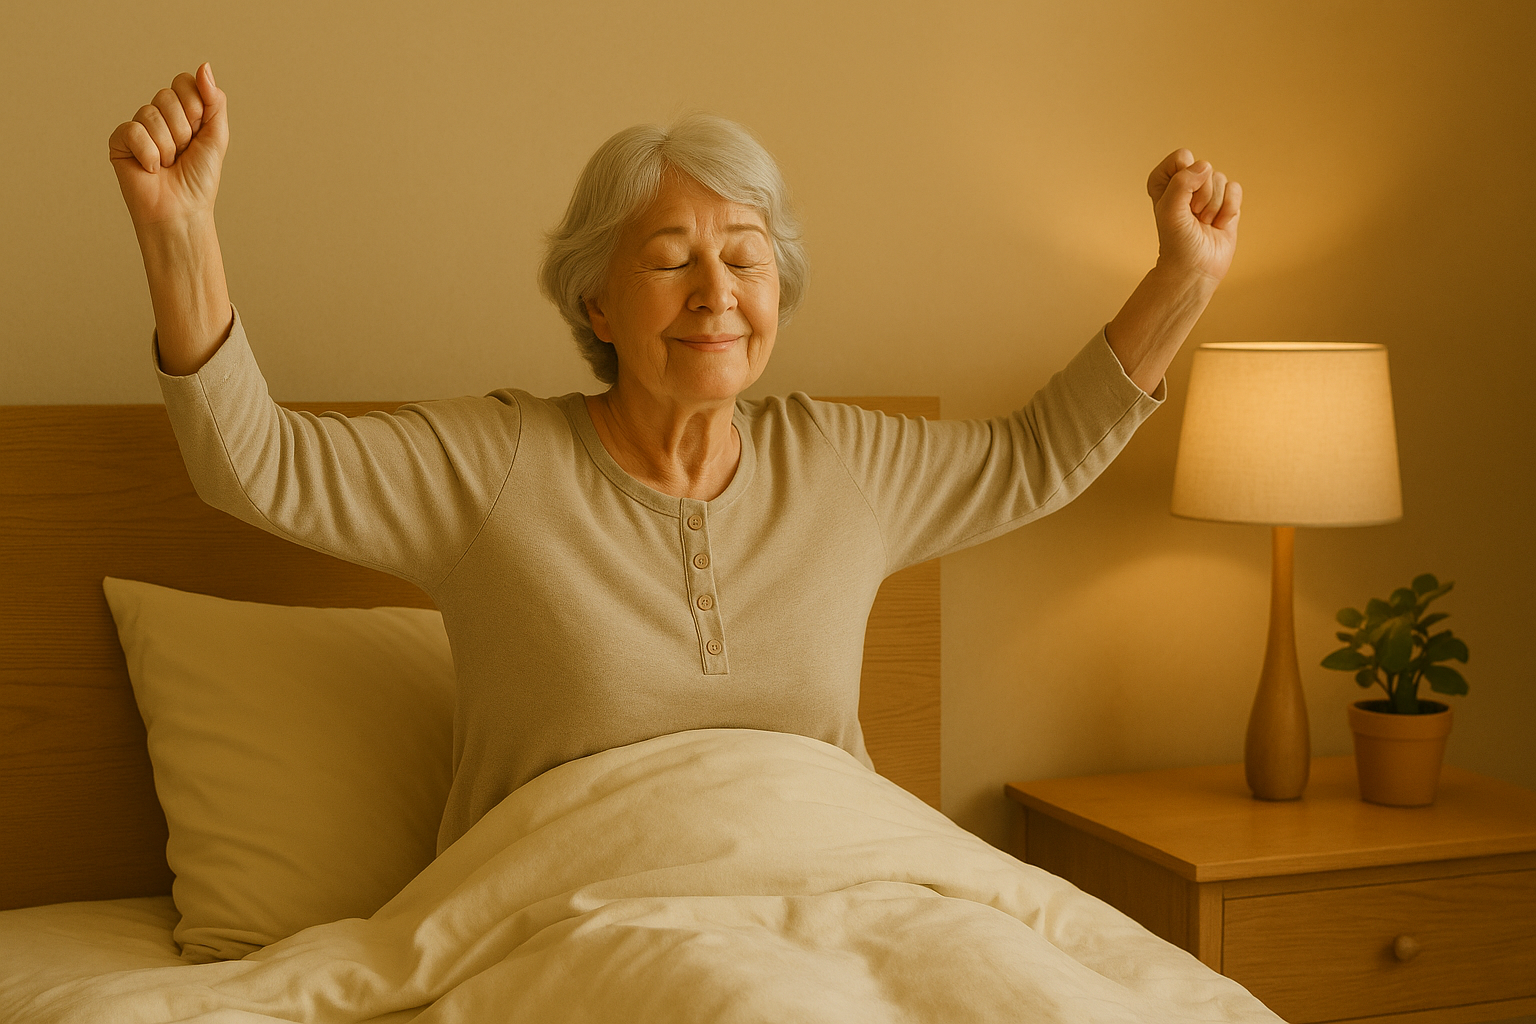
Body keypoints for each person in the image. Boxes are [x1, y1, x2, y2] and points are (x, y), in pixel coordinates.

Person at [109, 63, 1240, 854]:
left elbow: (1034, 454)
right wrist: (180, 234)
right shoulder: (497, 465)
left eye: (746, 260)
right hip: (577, 912)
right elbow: (252, 462)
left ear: (778, 293)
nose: (717, 296)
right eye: (672, 259)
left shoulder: (841, 466)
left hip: (839, 891)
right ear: (596, 299)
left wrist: (1184, 278)